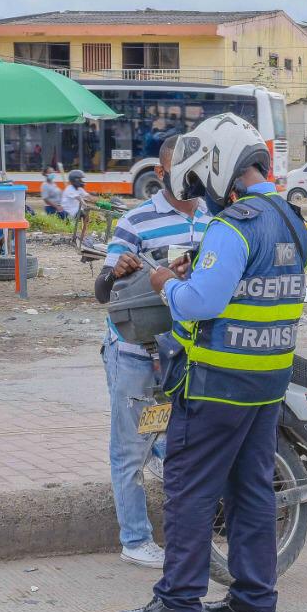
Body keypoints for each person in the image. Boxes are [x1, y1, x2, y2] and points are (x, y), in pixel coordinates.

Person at [116, 112, 307, 612]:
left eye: (205, 182)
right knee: (252, 489)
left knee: (191, 490)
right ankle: (255, 595)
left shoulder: (234, 225)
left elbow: (201, 302)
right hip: (268, 380)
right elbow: (253, 283)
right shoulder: (291, 218)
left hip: (214, 383)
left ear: (222, 166)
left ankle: (178, 601)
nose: (205, 197)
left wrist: (162, 282)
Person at [93, 138, 211, 570]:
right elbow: (102, 291)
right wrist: (116, 269)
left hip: (185, 354)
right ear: (160, 175)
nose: (189, 177)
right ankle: (135, 539)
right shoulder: (136, 221)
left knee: (174, 439)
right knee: (129, 449)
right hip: (136, 352)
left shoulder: (214, 218)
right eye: (178, 169)